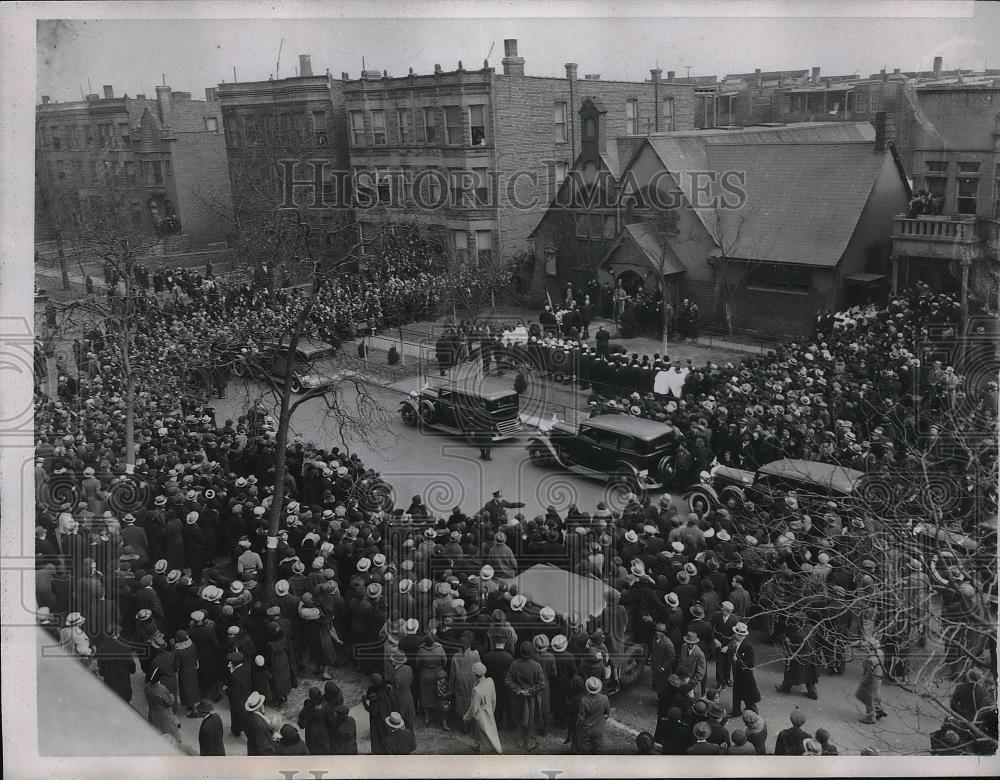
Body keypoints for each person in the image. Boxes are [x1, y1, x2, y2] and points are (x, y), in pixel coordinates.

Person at [505, 641, 545, 751]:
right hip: (532, 698)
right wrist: (530, 691)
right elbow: (541, 684)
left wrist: (518, 690)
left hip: (518, 697)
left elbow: (508, 680)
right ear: (532, 651)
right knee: (532, 718)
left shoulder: (515, 664)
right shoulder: (536, 665)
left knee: (519, 716)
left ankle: (521, 739)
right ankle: (530, 741)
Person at [464, 661, 502, 753]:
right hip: (489, 710)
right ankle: (478, 746)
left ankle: (492, 750)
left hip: (480, 715)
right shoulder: (490, 681)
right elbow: (494, 698)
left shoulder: (477, 690)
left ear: (476, 674)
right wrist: (492, 710)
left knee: (485, 733)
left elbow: (473, 708)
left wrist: (466, 717)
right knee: (488, 730)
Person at [727, 622, 760, 716]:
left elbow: (751, 664)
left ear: (742, 635)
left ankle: (753, 712)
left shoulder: (748, 646)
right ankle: (736, 711)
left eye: (737, 634)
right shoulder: (736, 642)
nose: (735, 635)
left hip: (746, 675)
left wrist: (737, 661)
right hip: (738, 673)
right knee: (736, 693)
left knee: (748, 695)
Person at [417, 632, 448, 727]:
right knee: (440, 696)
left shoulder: (421, 650)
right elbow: (445, 661)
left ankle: (426, 718)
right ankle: (442, 720)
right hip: (438, 674)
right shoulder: (439, 649)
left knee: (426, 696)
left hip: (426, 674)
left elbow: (418, 664)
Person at [144, 666, 181, 743]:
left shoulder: (147, 687)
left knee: (157, 729)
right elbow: (170, 701)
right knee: (170, 730)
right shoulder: (161, 689)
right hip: (164, 713)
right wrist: (171, 695)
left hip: (153, 712)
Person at [576, 676, 611, 754]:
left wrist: (578, 727)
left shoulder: (584, 700)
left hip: (586, 730)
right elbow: (607, 713)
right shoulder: (604, 698)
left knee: (585, 751)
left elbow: (581, 718)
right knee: (598, 750)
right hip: (599, 729)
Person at [856, 636, 887, 724]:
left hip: (871, 682)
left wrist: (862, 682)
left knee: (867, 699)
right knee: (876, 696)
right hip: (878, 679)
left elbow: (869, 675)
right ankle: (878, 710)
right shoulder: (880, 653)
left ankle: (870, 718)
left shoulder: (870, 659)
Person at [362, 673, 395, 754]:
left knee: (377, 736)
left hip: (377, 720)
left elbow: (373, 711)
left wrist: (365, 704)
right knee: (387, 733)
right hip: (387, 715)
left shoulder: (374, 695)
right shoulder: (386, 689)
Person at [297, 686, 333, 755]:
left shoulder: (306, 709)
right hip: (323, 733)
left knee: (313, 752)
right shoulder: (325, 705)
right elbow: (330, 720)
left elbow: (301, 725)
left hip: (311, 735)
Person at [243, 691, 276, 755]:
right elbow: (264, 747)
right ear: (259, 707)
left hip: (251, 747)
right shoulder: (260, 725)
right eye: (262, 703)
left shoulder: (246, 714)